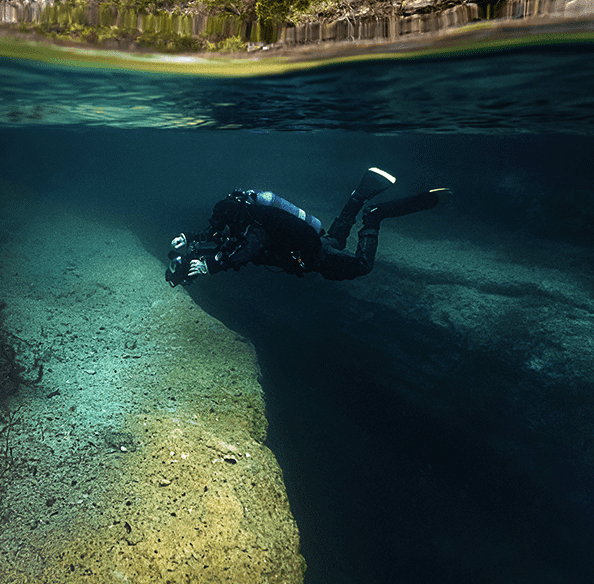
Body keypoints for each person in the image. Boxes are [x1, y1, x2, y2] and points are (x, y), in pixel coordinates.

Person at [166, 167, 451, 286]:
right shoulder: (244, 219)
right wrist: (189, 238)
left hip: (315, 255)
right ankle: (358, 197)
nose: (221, 234)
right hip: (314, 242)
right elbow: (219, 237)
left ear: (234, 219)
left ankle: (375, 216)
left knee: (362, 266)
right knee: (336, 239)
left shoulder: (254, 228)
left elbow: (247, 250)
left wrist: (212, 266)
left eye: (223, 228)